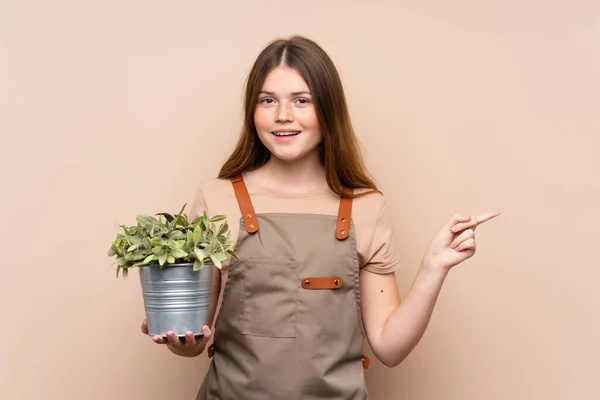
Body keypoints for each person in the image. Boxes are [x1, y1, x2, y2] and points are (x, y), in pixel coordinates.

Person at [140, 35, 500, 399]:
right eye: (268, 100)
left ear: (327, 110)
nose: (283, 115)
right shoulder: (216, 199)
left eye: (302, 101)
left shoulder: (367, 207)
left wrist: (433, 268)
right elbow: (195, 333)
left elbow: (390, 348)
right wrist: (182, 342)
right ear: (253, 110)